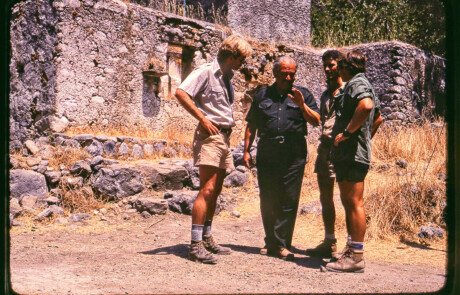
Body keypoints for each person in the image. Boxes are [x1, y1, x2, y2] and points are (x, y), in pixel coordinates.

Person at [175, 34, 252, 264]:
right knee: (206, 190)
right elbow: (181, 92)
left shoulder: (226, 76)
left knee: (215, 190)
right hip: (210, 136)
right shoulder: (207, 71)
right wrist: (202, 118)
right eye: (241, 59)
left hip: (223, 138)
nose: (242, 65)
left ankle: (207, 237)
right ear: (232, 56)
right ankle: (195, 244)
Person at [243, 56, 320, 261]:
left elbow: (316, 121)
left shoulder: (303, 94)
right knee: (268, 196)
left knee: (289, 197)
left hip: (294, 151)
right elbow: (252, 124)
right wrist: (246, 150)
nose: (288, 76)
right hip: (268, 149)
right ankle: (271, 242)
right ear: (275, 73)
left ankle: (282, 244)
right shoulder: (262, 95)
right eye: (284, 72)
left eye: (292, 73)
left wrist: (302, 106)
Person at [325, 50, 383, 273]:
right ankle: (351, 251)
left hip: (352, 156)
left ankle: (356, 257)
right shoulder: (360, 82)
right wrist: (364, 139)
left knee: (354, 202)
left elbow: (367, 107)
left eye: (340, 67)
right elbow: (378, 118)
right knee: (350, 203)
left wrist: (349, 134)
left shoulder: (356, 83)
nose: (337, 71)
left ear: (347, 67)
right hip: (351, 155)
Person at [305, 50, 345, 259]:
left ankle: (353, 247)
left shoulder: (350, 90)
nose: (328, 69)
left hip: (345, 151)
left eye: (331, 65)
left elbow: (375, 118)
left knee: (349, 198)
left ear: (340, 65)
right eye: (325, 66)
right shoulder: (325, 94)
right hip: (326, 149)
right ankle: (329, 242)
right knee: (326, 197)